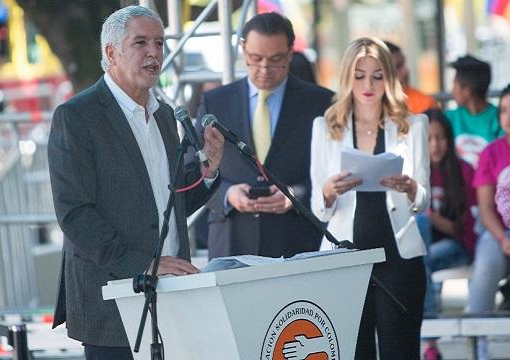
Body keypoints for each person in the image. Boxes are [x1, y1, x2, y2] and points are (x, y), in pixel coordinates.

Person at [47, 6, 224, 360]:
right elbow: (75, 215)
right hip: (113, 303)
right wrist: (143, 264)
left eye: (158, 43)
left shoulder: (163, 114)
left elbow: (167, 201)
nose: (154, 53)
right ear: (111, 53)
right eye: (140, 43)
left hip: (172, 296)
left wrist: (209, 173)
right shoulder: (77, 117)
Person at [310, 37, 429, 359]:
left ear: (389, 78)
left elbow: (424, 200)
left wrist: (410, 188)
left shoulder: (413, 125)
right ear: (347, 77)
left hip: (399, 258)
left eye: (377, 75)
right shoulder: (325, 128)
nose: (368, 84)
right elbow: (318, 209)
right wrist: (328, 192)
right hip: (345, 259)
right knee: (352, 350)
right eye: (359, 75)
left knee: (400, 351)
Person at [195, 12, 334, 259]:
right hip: (233, 242)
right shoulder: (215, 102)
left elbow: (334, 170)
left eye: (276, 59)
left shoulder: (321, 103)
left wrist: (298, 194)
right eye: (255, 58)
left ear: (291, 53)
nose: (264, 69)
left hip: (299, 240)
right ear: (243, 50)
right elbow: (193, 170)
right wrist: (227, 194)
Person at [417, 109, 476, 360]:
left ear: (449, 139)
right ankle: (431, 343)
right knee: (421, 257)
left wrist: (430, 216)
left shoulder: (463, 170)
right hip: (426, 248)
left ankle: (430, 339)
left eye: (440, 138)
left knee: (421, 261)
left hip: (457, 247)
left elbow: (459, 228)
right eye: (429, 138)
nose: (435, 145)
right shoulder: (416, 172)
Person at [467, 83, 510, 359]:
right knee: (485, 267)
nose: (508, 116)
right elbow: (485, 207)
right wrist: (503, 239)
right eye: (504, 110)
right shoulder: (491, 153)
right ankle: (479, 344)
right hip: (499, 233)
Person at [446, 55, 502, 167]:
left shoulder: (499, 119)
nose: (452, 91)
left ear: (467, 91)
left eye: (455, 84)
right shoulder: (450, 118)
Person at [385, 41, 439, 114]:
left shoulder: (426, 103)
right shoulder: (370, 105)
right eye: (398, 66)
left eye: (404, 63)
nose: (406, 71)